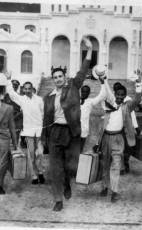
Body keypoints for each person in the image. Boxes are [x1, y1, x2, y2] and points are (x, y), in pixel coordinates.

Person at [41, 36, 92, 212]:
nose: (57, 79)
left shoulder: (74, 88)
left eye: (60, 76)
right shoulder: (48, 98)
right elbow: (45, 121)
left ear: (65, 76)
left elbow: (83, 72)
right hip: (55, 132)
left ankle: (67, 183)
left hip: (71, 133)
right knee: (55, 168)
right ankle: (58, 199)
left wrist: (90, 51)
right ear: (52, 79)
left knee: (71, 166)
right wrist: (44, 140)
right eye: (54, 77)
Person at [98, 77, 142, 202]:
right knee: (105, 164)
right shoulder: (108, 105)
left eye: (122, 95)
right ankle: (105, 186)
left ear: (125, 97)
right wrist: (103, 80)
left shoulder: (126, 107)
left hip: (118, 138)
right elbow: (105, 91)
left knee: (116, 165)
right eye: (118, 94)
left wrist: (138, 83)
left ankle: (114, 191)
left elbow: (138, 99)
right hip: (106, 137)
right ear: (115, 94)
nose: (119, 97)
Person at [3, 73, 45, 184]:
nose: (27, 90)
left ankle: (40, 172)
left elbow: (43, 114)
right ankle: (34, 176)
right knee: (30, 154)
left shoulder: (39, 100)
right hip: (28, 132)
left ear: (33, 89)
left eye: (29, 88)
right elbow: (11, 94)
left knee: (39, 153)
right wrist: (8, 79)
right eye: (25, 89)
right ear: (23, 90)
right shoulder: (22, 99)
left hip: (39, 131)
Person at [111, 82, 141, 174]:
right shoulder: (111, 102)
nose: (120, 96)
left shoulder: (127, 102)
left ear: (125, 95)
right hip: (116, 131)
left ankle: (125, 164)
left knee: (127, 149)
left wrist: (136, 127)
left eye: (122, 94)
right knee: (117, 150)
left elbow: (133, 113)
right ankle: (120, 167)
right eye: (117, 92)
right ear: (114, 92)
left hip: (126, 129)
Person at [79, 65, 108, 152]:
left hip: (84, 130)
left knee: (80, 150)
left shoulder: (90, 102)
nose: (84, 93)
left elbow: (102, 95)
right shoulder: (75, 100)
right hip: (73, 130)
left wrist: (103, 83)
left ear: (88, 93)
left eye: (86, 92)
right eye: (83, 91)